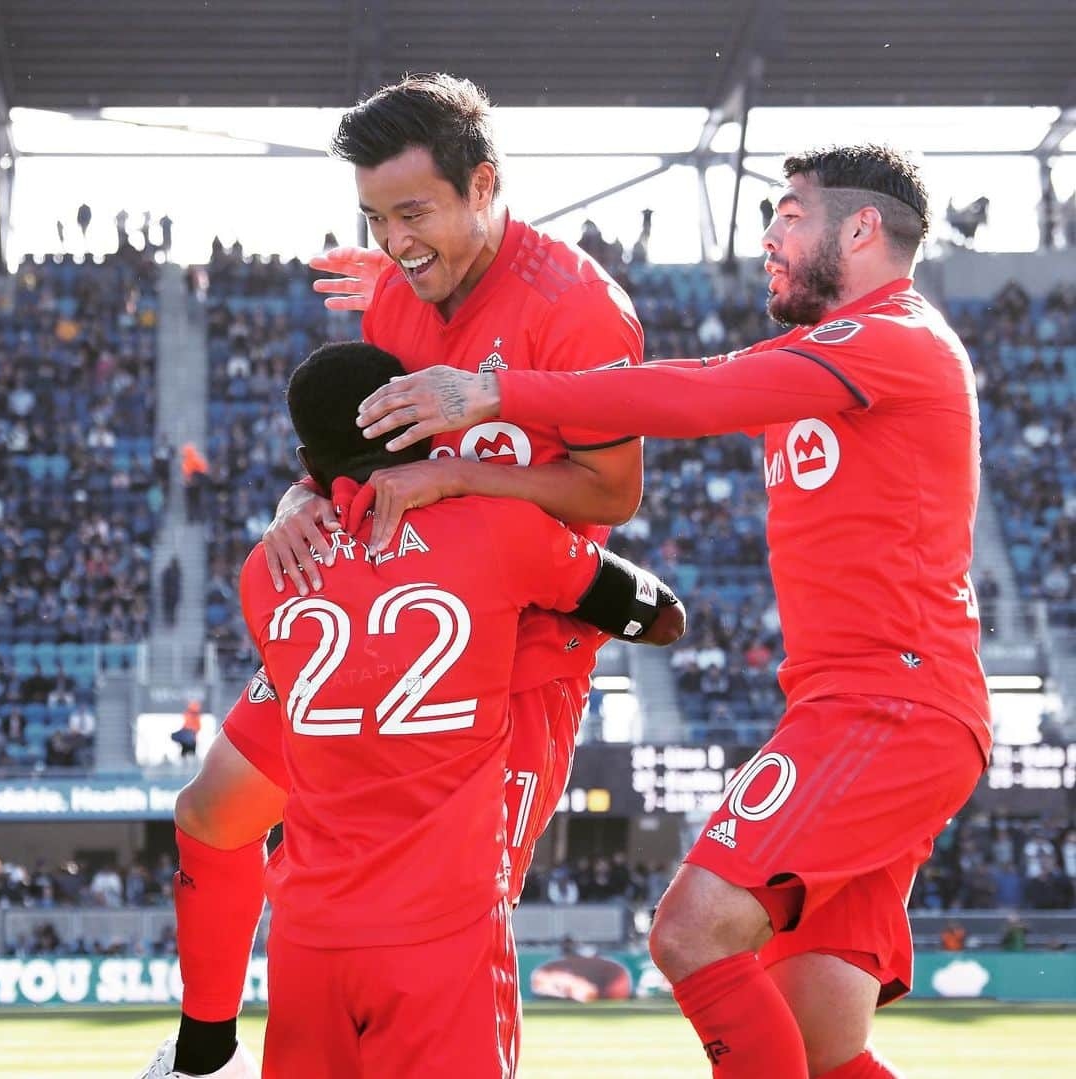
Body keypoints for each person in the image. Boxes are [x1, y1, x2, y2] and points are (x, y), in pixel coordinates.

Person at [357, 144, 990, 1079]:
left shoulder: (898, 336)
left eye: (788, 214)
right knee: (819, 1043)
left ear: (860, 228)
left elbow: (696, 391)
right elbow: (665, 367)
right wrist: (440, 278)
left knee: (692, 931)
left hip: (891, 706)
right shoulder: (836, 350)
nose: (767, 234)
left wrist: (494, 388)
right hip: (857, 708)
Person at [142, 74, 647, 1079]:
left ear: (484, 186)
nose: (393, 242)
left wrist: (458, 468)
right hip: (377, 618)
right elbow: (352, 450)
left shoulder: (582, 309)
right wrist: (301, 499)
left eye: (413, 213)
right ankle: (202, 1054)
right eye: (376, 218)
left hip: (515, 650)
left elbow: (611, 494)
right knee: (209, 813)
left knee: (448, 926)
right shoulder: (397, 296)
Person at [236, 341, 682, 1079]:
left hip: (307, 937)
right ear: (419, 426)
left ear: (306, 461)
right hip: (443, 930)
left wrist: (301, 500)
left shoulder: (268, 572)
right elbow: (661, 616)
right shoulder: (496, 529)